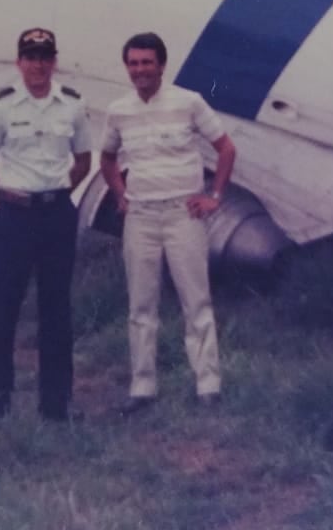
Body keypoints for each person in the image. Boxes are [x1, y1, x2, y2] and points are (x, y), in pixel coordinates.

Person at [100, 31, 236, 412]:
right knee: (141, 305)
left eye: (147, 62)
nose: (140, 70)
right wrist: (119, 193)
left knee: (196, 301)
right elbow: (107, 158)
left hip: (183, 214)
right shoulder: (119, 110)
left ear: (161, 65)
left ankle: (208, 385)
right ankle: (142, 387)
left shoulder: (189, 102)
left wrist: (214, 196)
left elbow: (226, 148)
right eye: (133, 63)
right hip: (140, 217)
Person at [0, 27, 93, 422]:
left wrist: (54, 195)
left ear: (54, 62)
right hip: (15, 218)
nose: (38, 65)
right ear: (19, 62)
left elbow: (83, 162)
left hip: (57, 215)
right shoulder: (1, 107)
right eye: (30, 57)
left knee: (56, 310)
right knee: (3, 307)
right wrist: (13, 202)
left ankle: (56, 405)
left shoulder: (72, 105)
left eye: (44, 57)